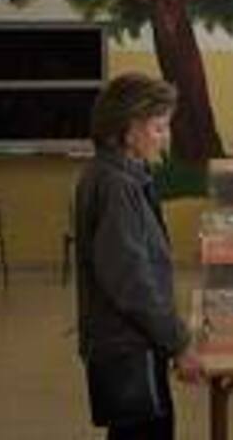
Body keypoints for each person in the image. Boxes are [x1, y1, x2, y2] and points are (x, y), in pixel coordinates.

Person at [75, 73, 202, 440]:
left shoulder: (122, 174)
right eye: (159, 127)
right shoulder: (115, 184)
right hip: (127, 348)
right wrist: (179, 343)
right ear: (128, 129)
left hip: (134, 342)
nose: (166, 137)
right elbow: (132, 283)